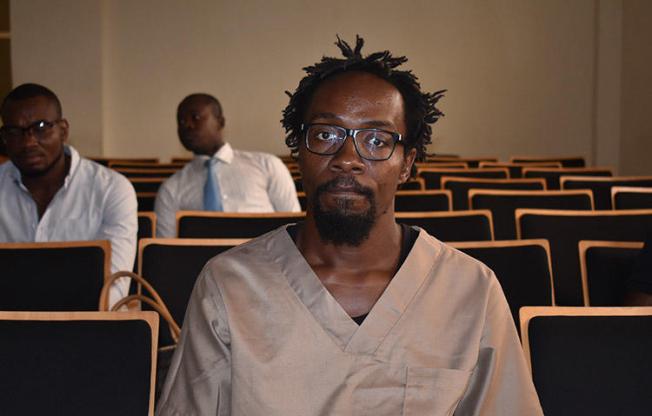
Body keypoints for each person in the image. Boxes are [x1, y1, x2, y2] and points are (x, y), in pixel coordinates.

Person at [157, 37, 543, 415]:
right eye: (325, 134)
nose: (347, 158)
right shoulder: (228, 286)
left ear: (407, 163)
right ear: (299, 153)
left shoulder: (470, 291)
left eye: (376, 140)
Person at [0, 83, 137, 308]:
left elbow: (113, 290)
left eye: (41, 127)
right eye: (14, 131)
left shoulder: (111, 189)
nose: (28, 142)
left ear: (63, 130)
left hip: (88, 330)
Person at [154, 93, 300, 237]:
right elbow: (167, 250)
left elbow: (295, 230)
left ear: (220, 121)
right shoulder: (171, 188)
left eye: (195, 117)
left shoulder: (267, 165)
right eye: (181, 121)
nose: (188, 125)